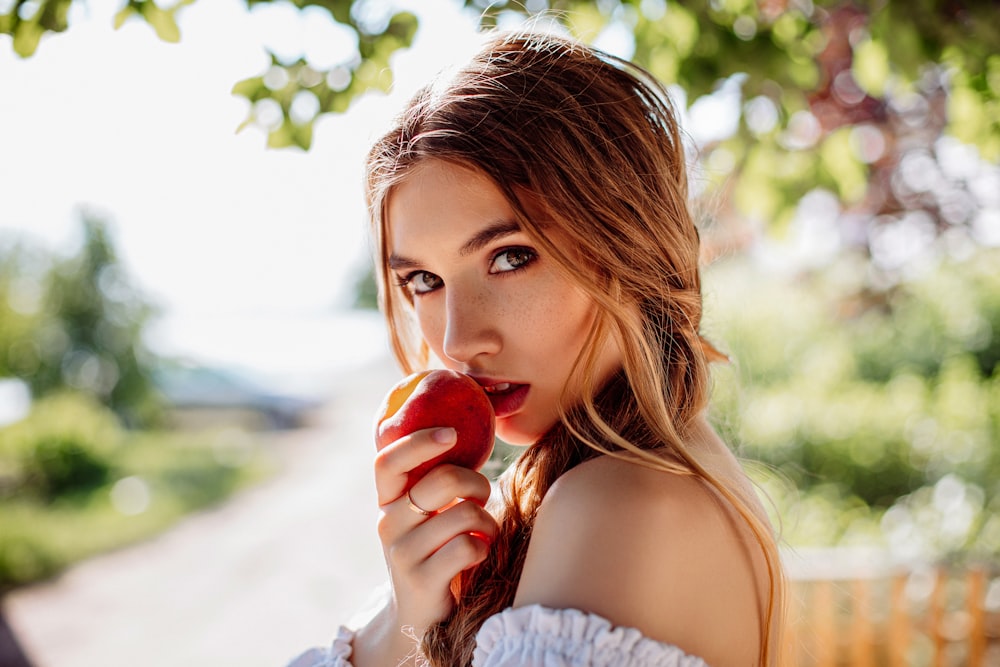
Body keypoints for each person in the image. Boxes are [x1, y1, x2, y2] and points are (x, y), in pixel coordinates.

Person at [289, 29, 786, 667]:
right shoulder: (631, 487)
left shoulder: (615, 504)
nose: (457, 339)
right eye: (424, 281)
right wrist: (409, 613)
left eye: (510, 257)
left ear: (627, 243)